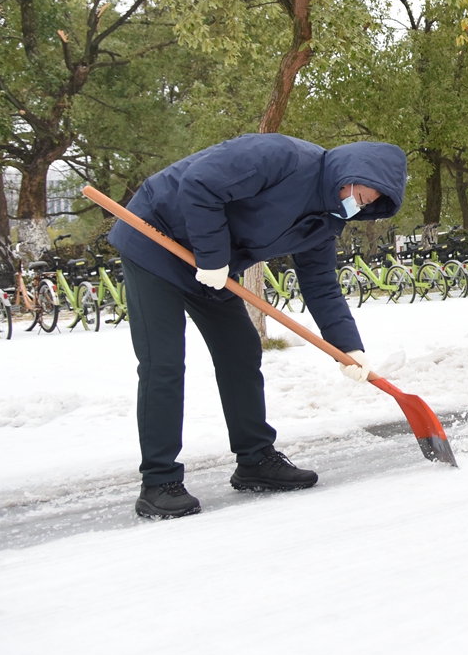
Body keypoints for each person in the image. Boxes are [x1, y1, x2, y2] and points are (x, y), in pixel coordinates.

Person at [108, 134, 409, 519]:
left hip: (211, 267)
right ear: (353, 172)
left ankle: (255, 459)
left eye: (366, 206)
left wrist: (348, 347)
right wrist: (214, 258)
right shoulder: (282, 157)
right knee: (163, 363)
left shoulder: (326, 221)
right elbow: (199, 184)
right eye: (363, 196)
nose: (357, 207)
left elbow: (320, 285)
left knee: (241, 352)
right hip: (155, 239)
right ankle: (158, 481)